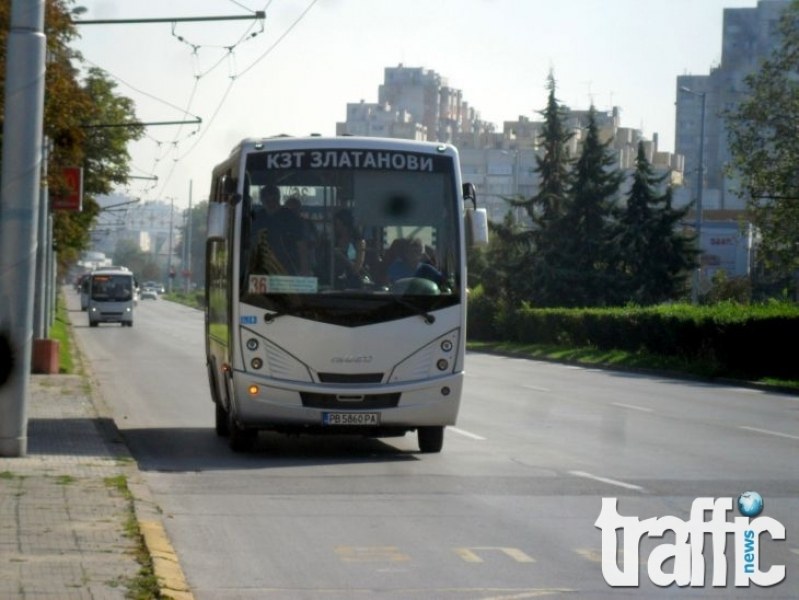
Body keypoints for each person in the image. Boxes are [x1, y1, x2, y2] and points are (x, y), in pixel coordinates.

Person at [250, 185, 309, 275]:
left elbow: (301, 245)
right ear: (262, 201)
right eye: (267, 201)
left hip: (289, 266)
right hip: (262, 267)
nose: (270, 204)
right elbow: (252, 243)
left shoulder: (291, 218)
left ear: (278, 199)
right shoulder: (258, 218)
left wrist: (304, 268)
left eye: (273, 200)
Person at [331, 208, 366, 287]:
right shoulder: (334, 240)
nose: (335, 227)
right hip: (334, 280)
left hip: (353, 282)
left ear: (345, 225)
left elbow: (357, 268)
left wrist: (341, 256)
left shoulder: (358, 241)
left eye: (337, 224)